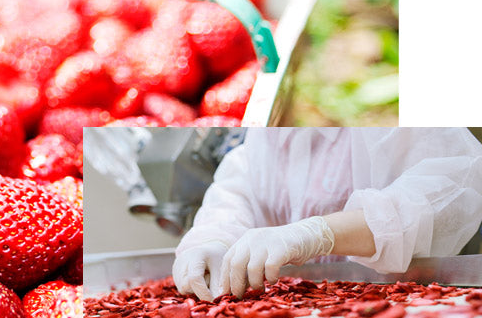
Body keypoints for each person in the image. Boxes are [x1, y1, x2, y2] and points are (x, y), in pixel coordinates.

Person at [172, 127, 482, 300]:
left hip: (395, 301)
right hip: (289, 309)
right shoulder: (268, 131)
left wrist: (320, 233)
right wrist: (213, 239)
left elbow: (448, 188)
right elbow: (240, 187)